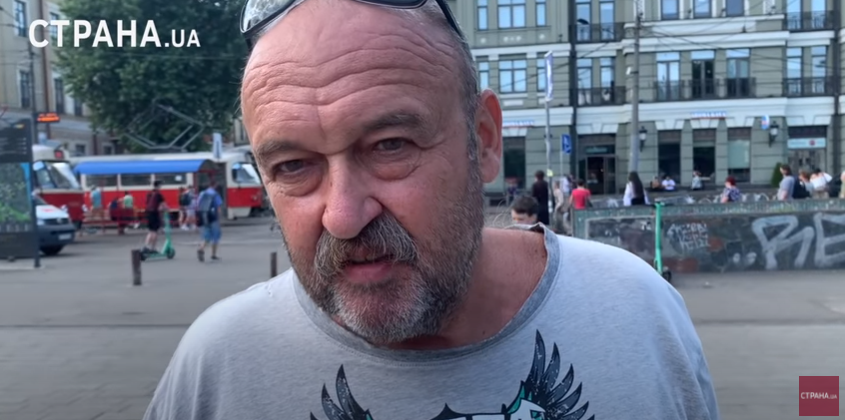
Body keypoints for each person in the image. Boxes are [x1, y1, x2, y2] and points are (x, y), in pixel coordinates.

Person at [144, 2, 720, 419]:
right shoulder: (220, 365)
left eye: (390, 146)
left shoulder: (637, 314)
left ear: (484, 141)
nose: (342, 215)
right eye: (293, 166)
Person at [196, 182, 223, 262]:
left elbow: (198, 205)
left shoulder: (202, 194)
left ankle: (201, 248)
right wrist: (219, 219)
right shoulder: (215, 194)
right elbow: (218, 207)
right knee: (215, 236)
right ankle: (213, 255)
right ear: (214, 186)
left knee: (207, 235)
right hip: (213, 217)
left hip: (203, 217)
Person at [143, 181, 167, 252]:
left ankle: (146, 246)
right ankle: (153, 248)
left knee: (150, 231)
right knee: (155, 231)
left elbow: (147, 203)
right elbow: (164, 205)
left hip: (148, 213)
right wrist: (167, 209)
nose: (161, 187)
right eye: (161, 185)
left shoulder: (149, 194)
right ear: (158, 186)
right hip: (154, 214)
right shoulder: (159, 195)